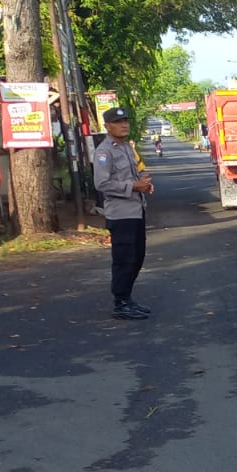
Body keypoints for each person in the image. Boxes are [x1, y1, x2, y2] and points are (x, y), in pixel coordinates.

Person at [93, 106, 153, 320]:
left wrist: (144, 182)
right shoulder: (103, 152)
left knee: (137, 257)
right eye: (118, 122)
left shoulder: (127, 147)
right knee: (124, 259)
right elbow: (101, 183)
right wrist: (133, 186)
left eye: (125, 121)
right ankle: (120, 303)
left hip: (136, 210)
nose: (124, 125)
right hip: (120, 214)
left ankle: (127, 298)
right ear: (108, 126)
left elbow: (137, 172)